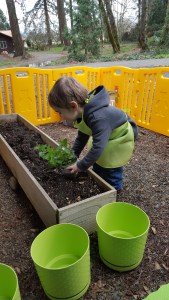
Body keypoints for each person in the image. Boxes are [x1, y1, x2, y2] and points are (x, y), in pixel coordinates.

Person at [48, 76, 138, 192]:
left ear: (73, 106)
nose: (61, 116)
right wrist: (73, 155)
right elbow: (82, 137)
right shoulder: (85, 110)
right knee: (99, 160)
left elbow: (98, 148)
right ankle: (99, 175)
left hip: (120, 138)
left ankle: (115, 190)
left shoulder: (98, 118)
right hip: (107, 135)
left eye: (60, 112)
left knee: (110, 166)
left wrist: (79, 166)